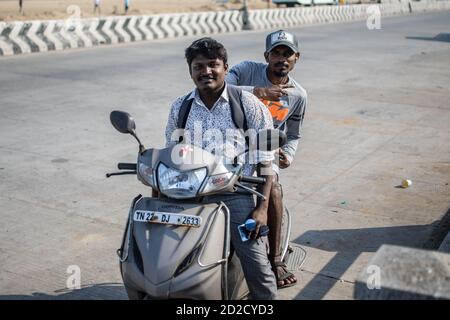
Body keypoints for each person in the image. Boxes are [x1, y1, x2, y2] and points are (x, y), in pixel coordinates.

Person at [164, 37, 278, 299]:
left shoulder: (248, 104)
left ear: (226, 67)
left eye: (213, 65)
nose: (206, 72)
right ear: (190, 71)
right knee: (170, 255)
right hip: (190, 195)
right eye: (198, 66)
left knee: (256, 263)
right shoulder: (181, 107)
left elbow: (265, 159)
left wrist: (261, 209)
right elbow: (172, 153)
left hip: (236, 193)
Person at [226, 29, 307, 289]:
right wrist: (259, 91)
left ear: (296, 58)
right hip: (230, 142)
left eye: (287, 54)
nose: (281, 58)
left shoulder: (298, 95)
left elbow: (293, 134)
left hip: (266, 149)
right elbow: (221, 86)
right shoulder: (247, 70)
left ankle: (275, 259)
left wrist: (290, 156)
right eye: (276, 53)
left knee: (273, 193)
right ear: (266, 56)